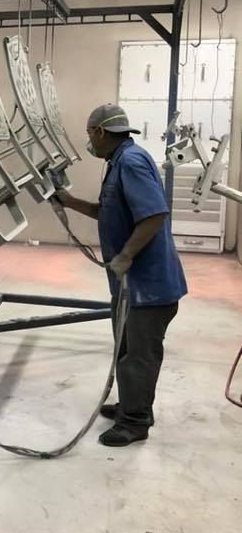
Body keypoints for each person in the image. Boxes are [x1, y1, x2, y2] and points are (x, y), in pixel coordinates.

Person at [55, 103, 187, 447]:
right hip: (131, 285)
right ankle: (133, 404)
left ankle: (135, 422)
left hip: (148, 286)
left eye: (89, 134)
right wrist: (69, 202)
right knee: (126, 347)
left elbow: (155, 213)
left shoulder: (130, 161)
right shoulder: (117, 163)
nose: (89, 143)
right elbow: (109, 211)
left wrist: (126, 255)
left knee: (138, 354)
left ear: (99, 132)